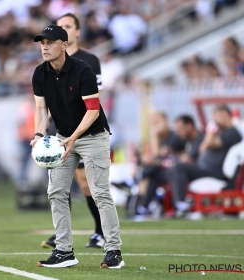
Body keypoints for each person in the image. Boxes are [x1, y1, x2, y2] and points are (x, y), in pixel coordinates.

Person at [31, 24, 124, 269]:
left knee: (100, 192)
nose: (45, 47)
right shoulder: (39, 73)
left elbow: (93, 110)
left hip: (93, 136)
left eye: (50, 42)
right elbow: (41, 109)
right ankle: (64, 251)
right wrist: (39, 134)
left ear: (64, 44)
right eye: (42, 43)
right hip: (63, 137)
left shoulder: (83, 70)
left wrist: (74, 137)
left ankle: (113, 250)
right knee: (56, 192)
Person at [41, 13, 106, 250]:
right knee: (59, 183)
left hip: (84, 129)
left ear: (77, 32)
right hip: (59, 129)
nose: (63, 29)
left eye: (68, 26)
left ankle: (100, 231)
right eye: (60, 27)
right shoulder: (48, 63)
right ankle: (61, 235)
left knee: (87, 184)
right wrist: (43, 128)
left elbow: (93, 100)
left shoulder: (88, 61)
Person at [170, 105, 242, 217]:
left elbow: (210, 143)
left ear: (227, 115)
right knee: (176, 168)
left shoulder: (232, 132)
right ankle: (182, 203)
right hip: (205, 169)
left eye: (217, 116)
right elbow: (202, 148)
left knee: (180, 167)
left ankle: (181, 205)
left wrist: (212, 129)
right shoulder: (219, 133)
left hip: (215, 173)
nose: (215, 119)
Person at [135, 114, 204, 217]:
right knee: (155, 173)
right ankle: (144, 207)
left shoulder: (199, 137)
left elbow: (188, 157)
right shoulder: (182, 138)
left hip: (193, 170)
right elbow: (161, 154)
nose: (178, 131)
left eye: (180, 128)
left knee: (175, 167)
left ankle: (181, 205)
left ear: (189, 126)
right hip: (177, 171)